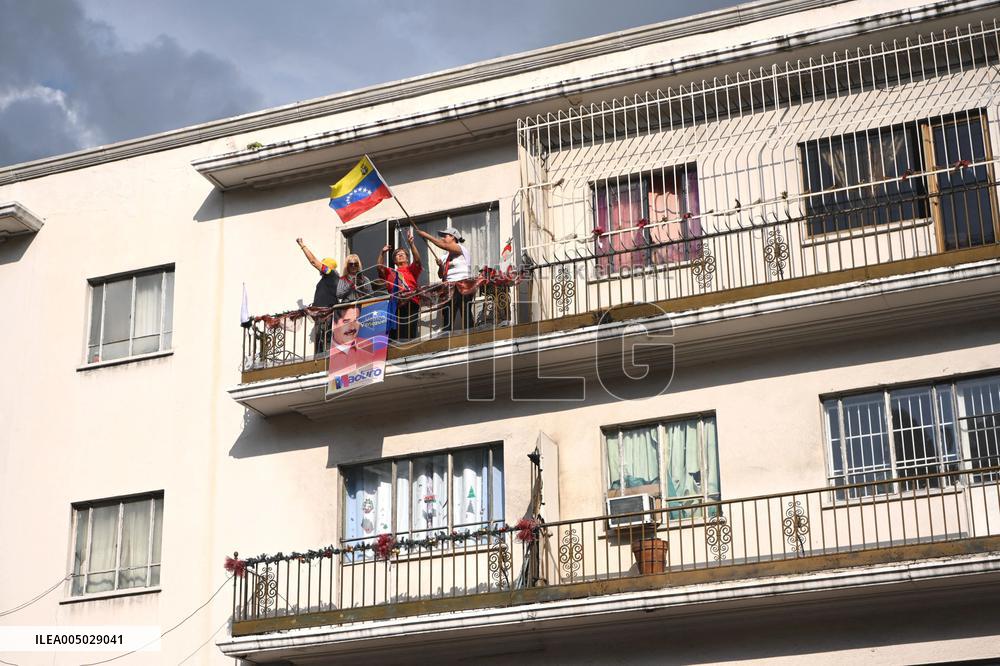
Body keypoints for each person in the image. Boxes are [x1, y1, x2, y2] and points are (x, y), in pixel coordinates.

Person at [412, 224, 473, 332]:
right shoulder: (445, 257)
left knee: (465, 311)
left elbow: (443, 245)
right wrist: (441, 266)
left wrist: (426, 235)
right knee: (448, 314)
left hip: (462, 285)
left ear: (453, 237)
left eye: (445, 236)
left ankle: (471, 334)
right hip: (449, 286)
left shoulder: (461, 249)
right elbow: (441, 275)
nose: (443, 238)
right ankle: (446, 335)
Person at [377, 230, 423, 340]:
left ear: (407, 258)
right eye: (398, 254)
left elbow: (417, 261)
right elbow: (379, 268)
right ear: (395, 261)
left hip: (411, 302)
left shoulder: (411, 269)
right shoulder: (391, 272)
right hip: (396, 304)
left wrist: (411, 244)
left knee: (409, 331)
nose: (400, 255)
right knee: (396, 333)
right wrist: (382, 253)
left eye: (403, 254)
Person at [297, 237, 339, 353]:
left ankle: (324, 358)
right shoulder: (327, 279)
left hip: (326, 316)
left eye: (323, 265)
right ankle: (321, 357)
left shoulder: (331, 273)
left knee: (324, 342)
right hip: (323, 316)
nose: (320, 267)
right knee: (321, 342)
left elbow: (313, 261)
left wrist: (302, 246)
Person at [329, 304, 379, 371]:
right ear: (333, 325)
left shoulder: (368, 346)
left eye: (356, 320)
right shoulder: (326, 352)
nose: (352, 327)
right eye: (346, 321)